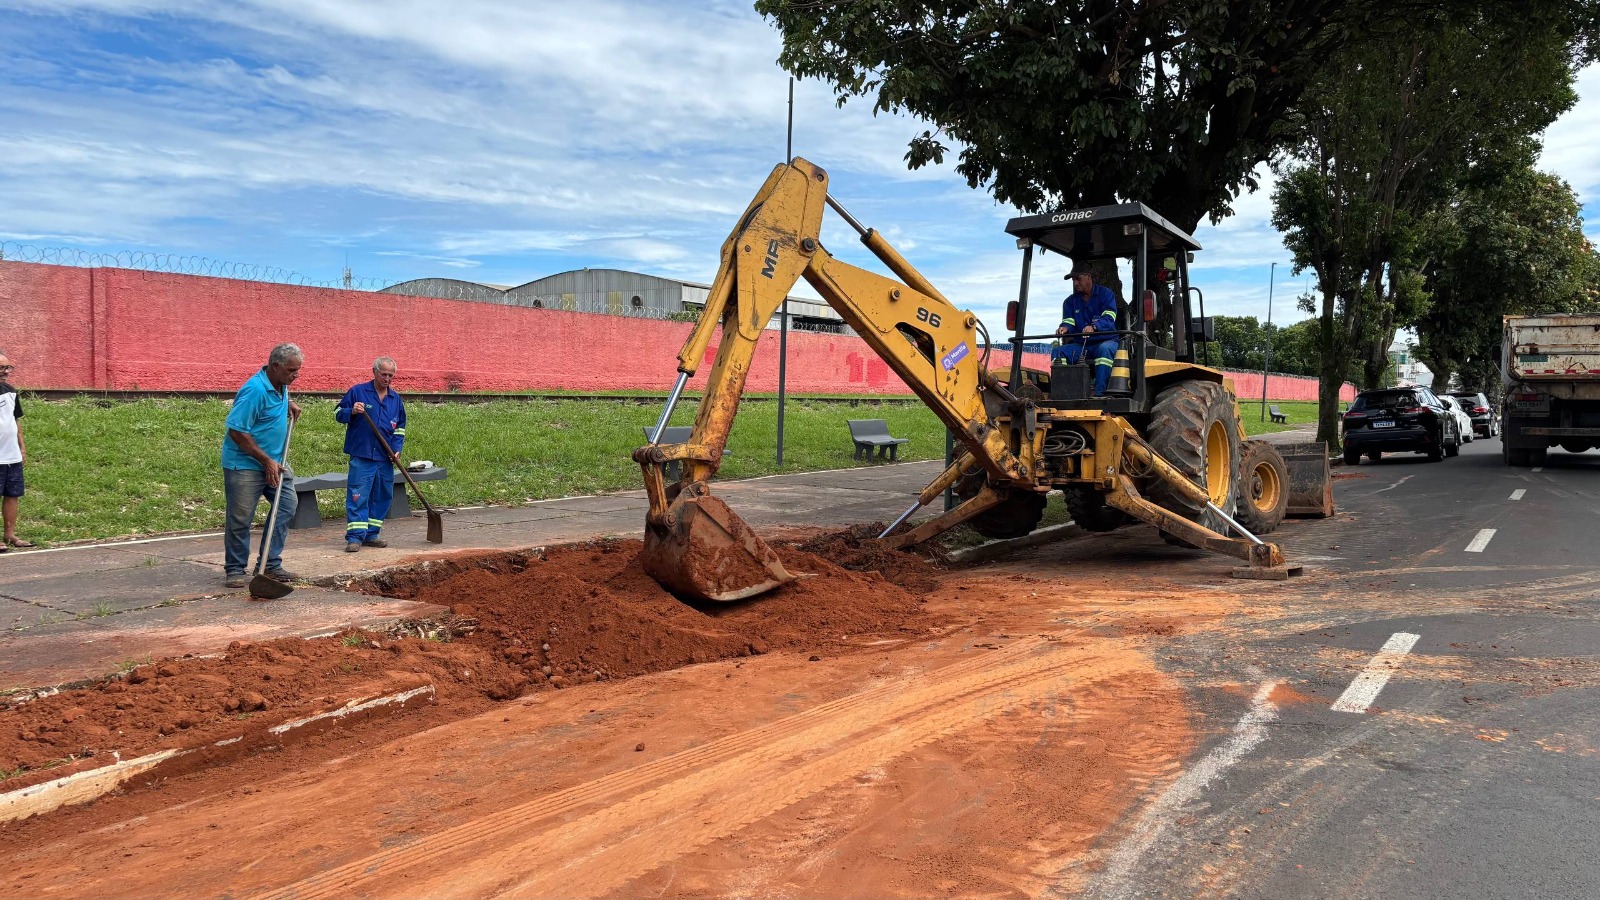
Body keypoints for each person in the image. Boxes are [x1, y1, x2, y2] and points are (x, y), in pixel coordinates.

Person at [222, 343, 303, 588]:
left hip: (276, 462)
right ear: (275, 366)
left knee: (286, 505)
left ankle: (270, 563)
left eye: (298, 370)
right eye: (291, 370)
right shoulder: (254, 390)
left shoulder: (281, 384)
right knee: (240, 518)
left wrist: (288, 403)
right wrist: (266, 460)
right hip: (245, 465)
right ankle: (235, 569)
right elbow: (237, 431)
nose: (296, 375)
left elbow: (274, 401)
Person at [334, 356, 406, 552]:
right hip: (362, 455)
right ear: (374, 372)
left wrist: (396, 449)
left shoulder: (395, 400)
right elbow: (338, 415)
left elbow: (400, 428)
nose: (387, 379)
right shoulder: (358, 392)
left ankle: (371, 534)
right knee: (358, 495)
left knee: (382, 496)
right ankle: (355, 537)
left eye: (391, 375)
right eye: (383, 374)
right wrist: (352, 411)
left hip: (385, 458)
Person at [1053, 263, 1121, 396]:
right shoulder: (1069, 302)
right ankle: (1065, 394)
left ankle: (1099, 395)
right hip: (1082, 345)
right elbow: (1069, 322)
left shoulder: (1106, 294)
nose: (1075, 283)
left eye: (1078, 279)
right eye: (1073, 280)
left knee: (1105, 349)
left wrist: (1094, 327)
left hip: (1106, 341)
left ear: (1088, 277)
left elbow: (1109, 318)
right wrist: (1064, 328)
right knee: (1058, 352)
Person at [0, 350, 34, 551]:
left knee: (12, 494)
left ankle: (10, 535)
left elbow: (15, 420)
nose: (5, 372)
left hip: (11, 454)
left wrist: (22, 447)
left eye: (7, 367)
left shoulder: (11, 391)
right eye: (1, 368)